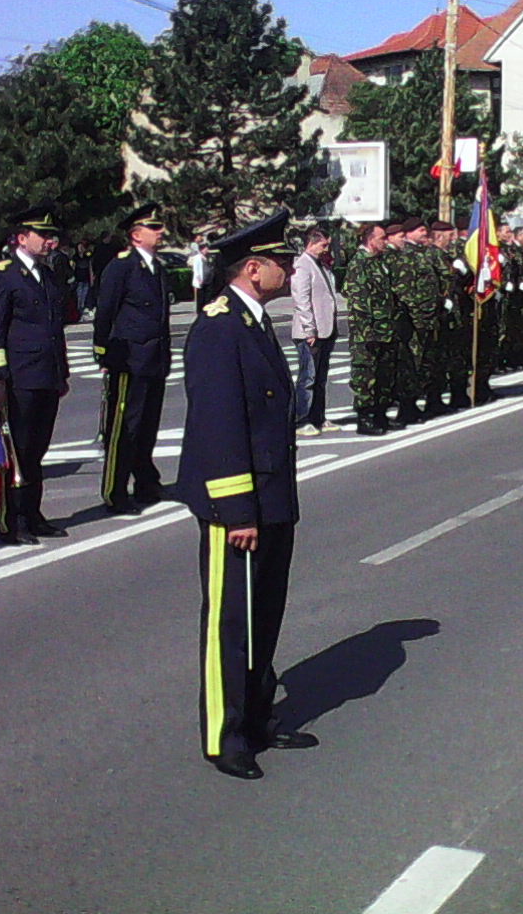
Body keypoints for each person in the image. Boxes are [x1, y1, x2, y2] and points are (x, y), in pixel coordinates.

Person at [177, 211, 315, 781]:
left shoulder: (253, 323)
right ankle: (224, 736)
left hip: (272, 495)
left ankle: (257, 717)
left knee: (265, 615)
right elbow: (218, 426)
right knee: (231, 624)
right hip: (237, 505)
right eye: (280, 261)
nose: (288, 269)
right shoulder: (218, 327)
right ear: (252, 268)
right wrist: (238, 510)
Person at [0, 205, 72, 544]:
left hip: (45, 376)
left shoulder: (48, 275)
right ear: (22, 238)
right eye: (44, 235)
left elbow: (54, 329)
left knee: (36, 450)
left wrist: (61, 372)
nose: (51, 241)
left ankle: (33, 513)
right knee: (16, 451)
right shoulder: (4, 276)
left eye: (53, 236)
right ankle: (12, 518)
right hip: (19, 378)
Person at [94, 202, 172, 513]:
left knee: (147, 426)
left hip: (153, 359)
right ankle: (115, 490)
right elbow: (106, 312)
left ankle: (145, 482)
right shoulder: (121, 267)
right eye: (154, 228)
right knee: (124, 428)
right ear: (136, 235)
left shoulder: (158, 267)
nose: (161, 232)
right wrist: (103, 352)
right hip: (128, 359)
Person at [344, 223, 395, 436]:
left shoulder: (379, 262)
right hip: (367, 332)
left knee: (383, 374)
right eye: (382, 238)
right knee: (365, 375)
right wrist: (368, 332)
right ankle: (365, 418)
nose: (386, 242)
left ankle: (380, 413)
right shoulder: (359, 264)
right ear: (369, 239)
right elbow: (359, 302)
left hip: (384, 329)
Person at [290, 225, 338, 435]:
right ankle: (302, 419)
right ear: (311, 242)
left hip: (325, 329)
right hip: (310, 331)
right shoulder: (303, 265)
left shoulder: (320, 265)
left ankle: (319, 417)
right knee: (308, 378)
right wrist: (310, 329)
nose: (326, 249)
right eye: (323, 245)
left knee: (320, 378)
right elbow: (302, 298)